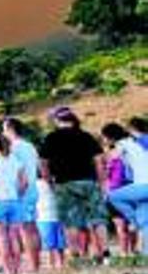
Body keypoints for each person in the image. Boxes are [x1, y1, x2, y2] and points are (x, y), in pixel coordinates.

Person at [39, 107, 108, 261]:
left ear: (57, 121)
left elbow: (43, 164)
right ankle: (105, 254)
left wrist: (49, 181)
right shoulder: (86, 136)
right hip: (89, 181)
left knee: (71, 222)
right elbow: (99, 161)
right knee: (97, 219)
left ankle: (76, 256)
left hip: (64, 183)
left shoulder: (51, 138)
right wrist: (102, 181)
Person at [0, 135, 27, 274]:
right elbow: (25, 182)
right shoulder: (16, 161)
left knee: (1, 238)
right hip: (14, 201)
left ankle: (8, 272)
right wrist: (18, 193)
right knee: (14, 237)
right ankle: (17, 270)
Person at [2, 117, 41, 272]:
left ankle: (33, 265)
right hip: (33, 188)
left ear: (10, 129)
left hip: (21, 191)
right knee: (33, 227)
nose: (2, 132)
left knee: (26, 230)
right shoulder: (30, 146)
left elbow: (17, 172)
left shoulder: (14, 148)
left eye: (4, 129)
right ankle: (36, 263)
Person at [103, 122, 148, 255]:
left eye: (104, 137)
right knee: (145, 221)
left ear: (110, 137)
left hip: (143, 184)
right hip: (142, 185)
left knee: (111, 196)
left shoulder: (122, 144)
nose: (104, 140)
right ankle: (146, 255)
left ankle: (132, 221)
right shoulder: (136, 142)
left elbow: (112, 157)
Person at [103, 130, 137, 257]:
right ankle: (130, 252)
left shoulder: (112, 156)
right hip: (125, 190)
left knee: (123, 225)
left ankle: (126, 253)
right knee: (128, 224)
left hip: (118, 191)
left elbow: (105, 176)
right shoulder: (127, 154)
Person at [35, 174, 65, 270]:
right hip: (48, 216)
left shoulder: (38, 183)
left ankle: (56, 263)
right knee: (55, 243)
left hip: (48, 216)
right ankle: (56, 263)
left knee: (55, 243)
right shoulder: (38, 183)